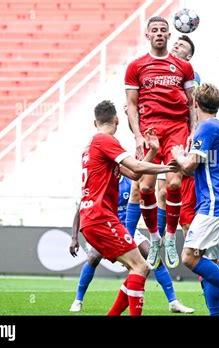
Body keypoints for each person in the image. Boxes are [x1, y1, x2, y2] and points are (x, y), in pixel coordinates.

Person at [77, 100, 176, 316]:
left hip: (95, 218)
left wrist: (153, 151)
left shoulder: (94, 145)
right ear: (117, 120)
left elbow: (134, 174)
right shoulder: (105, 141)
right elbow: (137, 167)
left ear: (95, 122)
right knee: (141, 267)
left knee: (139, 267)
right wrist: (170, 167)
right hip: (101, 217)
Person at [171, 83, 219, 316]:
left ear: (195, 103)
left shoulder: (205, 128)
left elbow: (189, 166)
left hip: (213, 204)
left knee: (189, 257)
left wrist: (178, 156)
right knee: (209, 264)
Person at [125, 16, 196, 270]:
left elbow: (191, 103)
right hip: (150, 131)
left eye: (163, 30)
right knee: (145, 188)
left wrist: (193, 132)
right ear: (147, 35)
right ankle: (154, 237)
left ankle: (168, 237)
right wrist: (137, 135)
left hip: (177, 129)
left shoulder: (183, 67)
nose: (158, 34)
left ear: (169, 35)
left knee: (174, 183)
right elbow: (132, 105)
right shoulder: (136, 66)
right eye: (154, 30)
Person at [69, 175, 194, 314]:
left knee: (153, 256)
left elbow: (147, 204)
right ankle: (78, 300)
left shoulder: (130, 183)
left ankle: (173, 302)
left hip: (128, 229)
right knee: (93, 257)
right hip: (106, 229)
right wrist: (74, 237)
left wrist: (160, 228)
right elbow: (80, 211)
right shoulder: (101, 181)